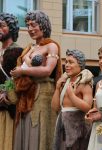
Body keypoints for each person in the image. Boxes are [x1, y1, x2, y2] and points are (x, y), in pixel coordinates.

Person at [10, 10, 62, 150]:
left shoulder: (52, 46)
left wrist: (22, 71)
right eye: (28, 25)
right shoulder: (29, 48)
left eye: (33, 25)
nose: (30, 29)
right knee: (26, 129)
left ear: (43, 25)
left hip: (44, 93)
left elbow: (47, 70)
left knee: (39, 132)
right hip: (26, 95)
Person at [51, 49, 93, 150]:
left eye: (71, 62)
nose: (67, 65)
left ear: (80, 65)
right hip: (62, 124)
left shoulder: (84, 84)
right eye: (66, 62)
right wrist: (57, 88)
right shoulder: (64, 81)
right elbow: (55, 107)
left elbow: (87, 108)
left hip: (77, 128)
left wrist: (72, 96)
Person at [0, 12, 23, 150]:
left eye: (2, 26)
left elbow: (16, 78)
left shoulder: (18, 51)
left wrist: (4, 91)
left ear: (12, 28)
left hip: (9, 109)